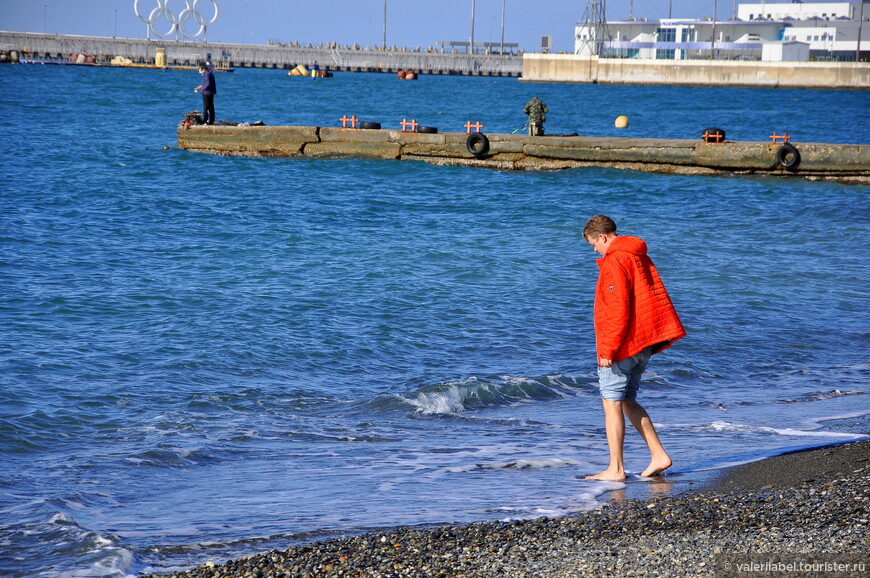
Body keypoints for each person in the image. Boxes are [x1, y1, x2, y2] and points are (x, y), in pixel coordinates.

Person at [582, 215, 685, 482]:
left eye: (593, 243)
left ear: (602, 237)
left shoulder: (616, 259)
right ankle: (659, 455)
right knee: (627, 400)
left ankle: (615, 469)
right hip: (643, 342)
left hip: (625, 343)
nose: (594, 249)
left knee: (611, 403)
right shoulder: (638, 255)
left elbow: (617, 310)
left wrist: (607, 349)